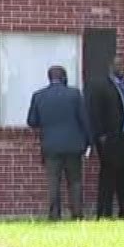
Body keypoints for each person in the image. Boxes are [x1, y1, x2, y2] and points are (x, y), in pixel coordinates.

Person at [25, 65, 91, 221]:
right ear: (64, 77)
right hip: (73, 145)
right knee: (74, 181)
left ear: (49, 78)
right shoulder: (74, 94)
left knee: (54, 181)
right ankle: (77, 214)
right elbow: (84, 120)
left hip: (51, 146)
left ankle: (54, 215)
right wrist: (88, 141)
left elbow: (32, 121)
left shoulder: (39, 96)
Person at [85, 57, 124, 219]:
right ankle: (104, 213)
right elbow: (94, 112)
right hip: (109, 139)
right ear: (111, 67)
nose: (122, 68)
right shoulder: (101, 86)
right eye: (119, 65)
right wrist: (100, 135)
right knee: (108, 177)